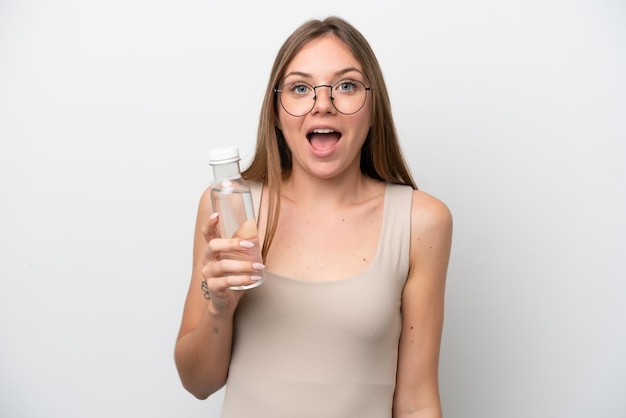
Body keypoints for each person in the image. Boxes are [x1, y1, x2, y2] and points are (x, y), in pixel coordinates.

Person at [174, 16, 453, 418]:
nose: (323, 104)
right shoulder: (229, 206)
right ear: (275, 112)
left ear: (374, 110)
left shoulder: (421, 221)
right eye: (301, 88)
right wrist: (220, 306)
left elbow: (417, 402)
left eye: (346, 85)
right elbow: (197, 383)